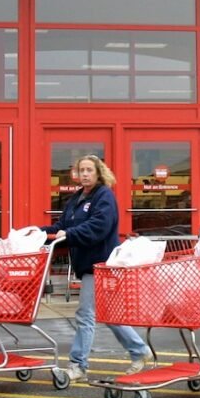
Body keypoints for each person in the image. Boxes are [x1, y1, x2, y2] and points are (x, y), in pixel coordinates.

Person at [43, 154, 150, 382]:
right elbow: (62, 226)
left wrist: (69, 234)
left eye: (89, 170)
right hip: (88, 264)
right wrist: (38, 233)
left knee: (85, 314)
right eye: (81, 170)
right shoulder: (76, 199)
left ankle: (78, 365)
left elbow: (99, 226)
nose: (84, 174)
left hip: (101, 265)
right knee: (108, 315)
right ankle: (139, 349)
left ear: (98, 172)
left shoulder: (104, 196)